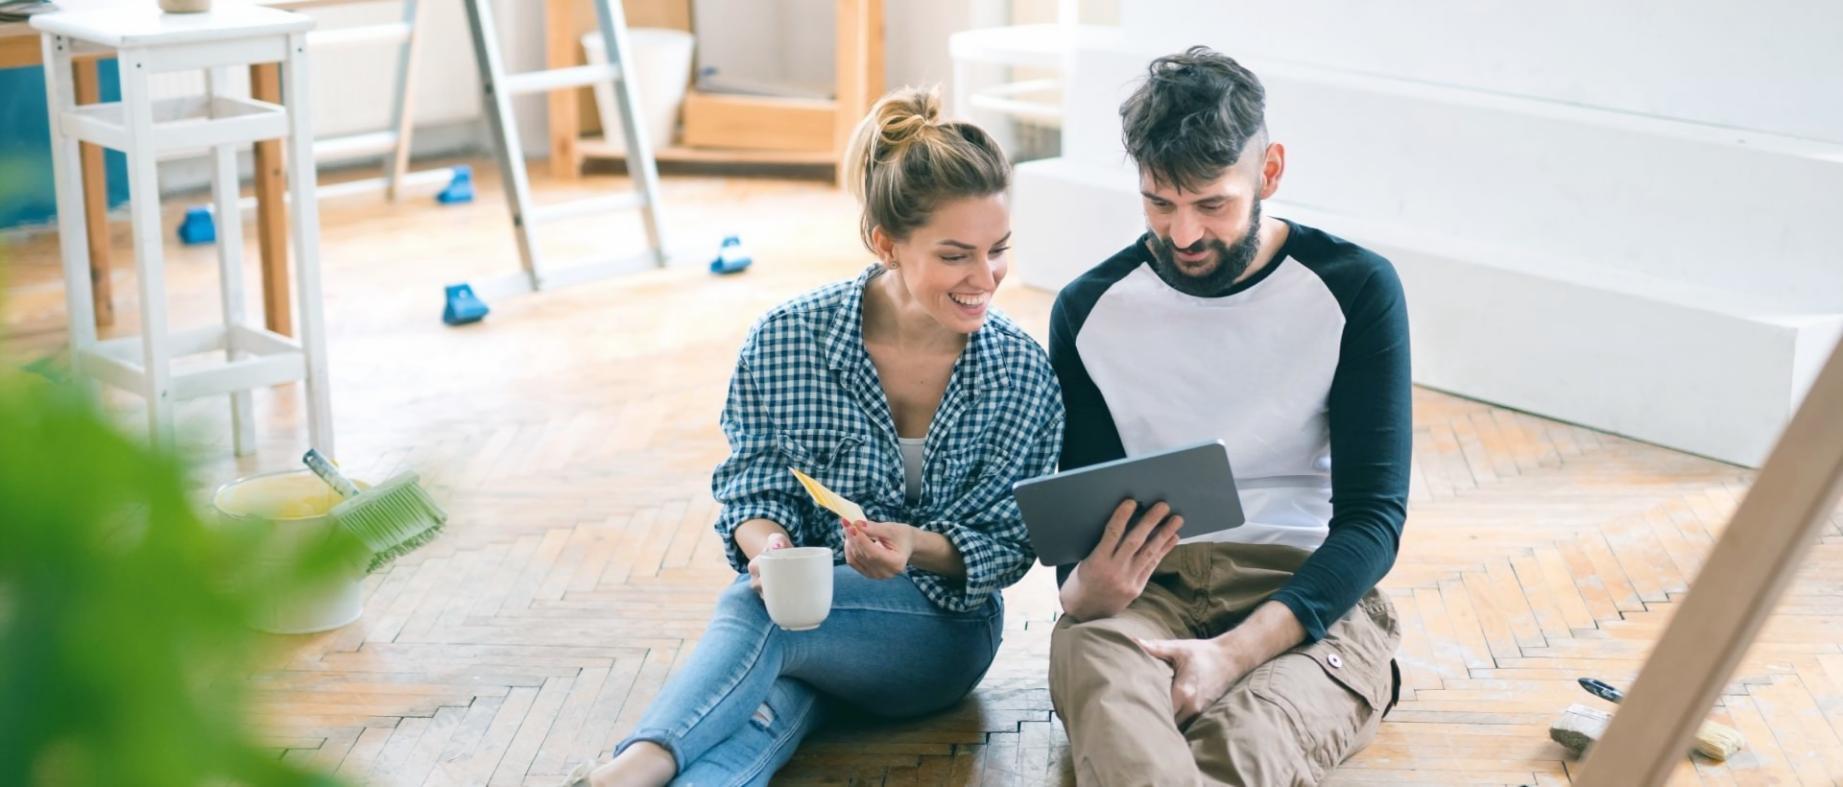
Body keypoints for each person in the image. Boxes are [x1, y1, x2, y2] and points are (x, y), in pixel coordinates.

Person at [564, 86, 1065, 787]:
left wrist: (911, 546)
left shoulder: (1017, 369)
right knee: (756, 715)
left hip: (942, 636)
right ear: (884, 242)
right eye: (956, 256)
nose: (985, 278)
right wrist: (768, 548)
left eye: (998, 250)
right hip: (806, 620)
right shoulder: (786, 339)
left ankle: (620, 773)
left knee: (756, 613)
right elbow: (754, 484)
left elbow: (1011, 542)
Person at [1046, 47, 1410, 786]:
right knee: (1098, 663)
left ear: (1268, 171)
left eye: (1211, 204)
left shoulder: (1355, 289)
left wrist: (1233, 655)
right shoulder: (1088, 311)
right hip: (1150, 593)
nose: (1183, 235)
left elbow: (1373, 520)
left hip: (1306, 596)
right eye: (1159, 202)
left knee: (1246, 744)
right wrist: (1081, 589)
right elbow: (1079, 521)